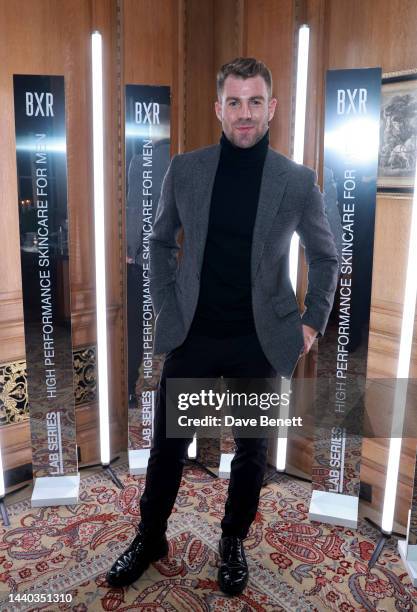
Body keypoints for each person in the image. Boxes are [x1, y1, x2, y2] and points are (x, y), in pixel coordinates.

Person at [106, 57, 338, 596]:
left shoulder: (297, 181)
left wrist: (310, 324)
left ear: (272, 108)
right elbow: (159, 243)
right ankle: (151, 536)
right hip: (195, 333)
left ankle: (232, 539)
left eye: (255, 102)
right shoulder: (185, 169)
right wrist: (167, 306)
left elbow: (327, 257)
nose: (244, 114)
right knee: (168, 444)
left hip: (260, 339)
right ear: (218, 108)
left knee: (252, 450)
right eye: (233, 102)